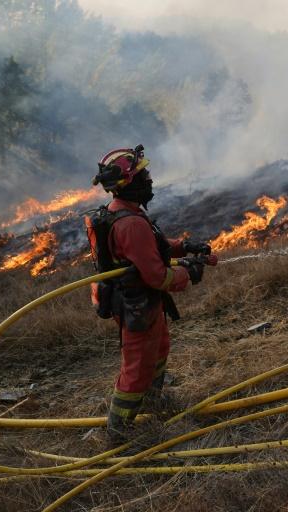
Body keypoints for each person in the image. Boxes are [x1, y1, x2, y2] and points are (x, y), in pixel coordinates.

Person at [88, 145, 211, 442]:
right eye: (143, 175)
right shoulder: (131, 224)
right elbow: (158, 276)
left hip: (139, 302)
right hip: (136, 304)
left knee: (159, 349)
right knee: (137, 366)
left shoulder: (121, 213)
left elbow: (149, 246)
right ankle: (118, 431)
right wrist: (188, 272)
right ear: (128, 183)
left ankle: (154, 401)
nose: (150, 180)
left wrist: (184, 247)